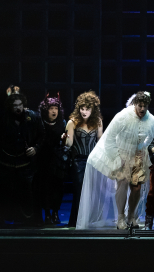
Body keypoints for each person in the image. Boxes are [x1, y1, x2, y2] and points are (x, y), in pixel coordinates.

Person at [77, 91, 154, 229]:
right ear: (135, 104)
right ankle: (121, 217)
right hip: (122, 153)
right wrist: (117, 157)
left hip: (138, 155)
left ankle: (131, 216)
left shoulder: (151, 120)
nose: (142, 109)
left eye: (145, 106)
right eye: (139, 105)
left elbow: (152, 138)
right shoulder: (123, 116)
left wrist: (143, 147)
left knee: (137, 187)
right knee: (123, 182)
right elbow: (109, 137)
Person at [0, 90, 45, 224]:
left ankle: (27, 220)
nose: (18, 108)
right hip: (7, 162)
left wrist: (35, 148)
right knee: (8, 193)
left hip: (26, 163)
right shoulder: (2, 118)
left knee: (27, 193)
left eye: (20, 105)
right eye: (15, 105)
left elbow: (42, 136)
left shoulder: (33, 117)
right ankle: (8, 219)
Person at [64, 91, 102, 227]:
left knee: (92, 191)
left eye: (87, 109)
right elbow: (69, 144)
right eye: (82, 108)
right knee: (79, 191)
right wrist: (65, 139)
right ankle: (75, 222)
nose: (84, 112)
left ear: (93, 110)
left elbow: (100, 142)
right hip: (78, 161)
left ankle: (89, 221)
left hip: (93, 161)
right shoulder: (72, 122)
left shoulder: (98, 121)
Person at [34, 93, 68, 225]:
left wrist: (64, 140)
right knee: (45, 188)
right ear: (45, 110)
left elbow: (65, 143)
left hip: (57, 160)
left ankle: (55, 212)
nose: (54, 111)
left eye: (56, 108)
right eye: (51, 108)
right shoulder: (40, 122)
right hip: (43, 160)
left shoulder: (62, 123)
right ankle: (47, 213)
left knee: (58, 187)